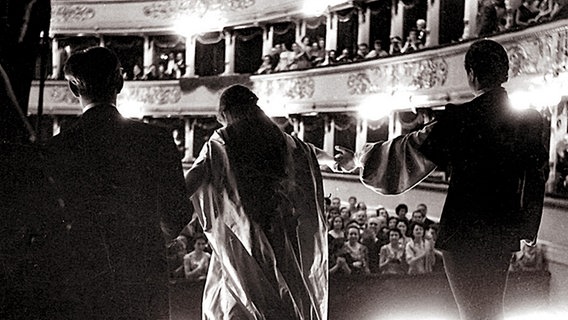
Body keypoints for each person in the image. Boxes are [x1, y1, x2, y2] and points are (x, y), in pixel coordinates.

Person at [336, 39, 547, 320]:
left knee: (472, 311)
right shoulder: (529, 123)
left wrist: (360, 159)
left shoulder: (460, 119)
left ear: (471, 74)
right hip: (501, 231)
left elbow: (409, 148)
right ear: (505, 73)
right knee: (492, 310)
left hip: (463, 231)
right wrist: (527, 225)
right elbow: (537, 176)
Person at [43, 47, 191, 320]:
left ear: (74, 88)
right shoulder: (155, 140)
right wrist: (152, 237)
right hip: (143, 278)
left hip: (82, 280)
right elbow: (178, 212)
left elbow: (48, 223)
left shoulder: (56, 148)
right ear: (120, 83)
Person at [184, 85, 328, 320]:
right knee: (288, 302)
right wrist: (344, 163)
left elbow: (191, 181)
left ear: (226, 113)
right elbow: (314, 154)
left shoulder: (222, 142)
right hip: (283, 240)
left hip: (243, 240)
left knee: (239, 302)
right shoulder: (284, 141)